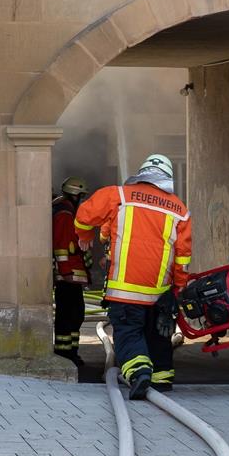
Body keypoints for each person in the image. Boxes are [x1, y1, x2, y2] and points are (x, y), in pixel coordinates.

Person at [75, 155, 191, 399]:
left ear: (142, 174)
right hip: (159, 290)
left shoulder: (118, 195)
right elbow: (183, 256)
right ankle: (162, 378)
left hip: (125, 289)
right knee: (158, 333)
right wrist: (177, 288)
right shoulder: (180, 210)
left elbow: (84, 216)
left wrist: (84, 237)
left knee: (129, 333)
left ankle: (139, 373)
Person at [52, 176, 90, 365]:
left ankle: (71, 351)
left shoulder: (67, 211)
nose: (83, 201)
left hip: (72, 276)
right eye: (81, 197)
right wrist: (66, 272)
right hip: (67, 277)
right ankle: (64, 353)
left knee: (76, 314)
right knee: (69, 315)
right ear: (74, 195)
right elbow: (61, 246)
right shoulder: (65, 215)